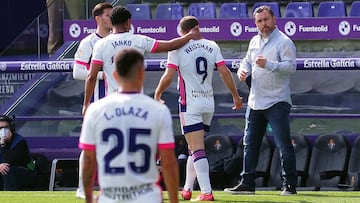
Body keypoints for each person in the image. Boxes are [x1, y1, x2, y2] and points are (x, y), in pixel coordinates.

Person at [154, 16, 243, 201]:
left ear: (184, 32)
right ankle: (187, 188)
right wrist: (235, 95)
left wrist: (158, 93)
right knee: (193, 148)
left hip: (190, 104)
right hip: (208, 103)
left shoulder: (177, 47)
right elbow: (225, 72)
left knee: (196, 149)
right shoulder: (212, 45)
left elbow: (169, 76)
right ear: (197, 28)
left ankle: (206, 192)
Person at [79, 48, 179, 203]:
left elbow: (88, 161)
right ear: (141, 73)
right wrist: (173, 200)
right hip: (147, 198)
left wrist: (88, 199)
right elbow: (169, 163)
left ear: (114, 75)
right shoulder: (158, 110)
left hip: (110, 198)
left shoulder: (95, 110)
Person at [224, 5, 298, 196]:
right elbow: (247, 61)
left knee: (283, 144)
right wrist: (242, 70)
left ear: (274, 19)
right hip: (255, 101)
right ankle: (247, 183)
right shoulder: (254, 41)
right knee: (249, 143)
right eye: (259, 21)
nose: (263, 24)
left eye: (266, 19)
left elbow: (291, 67)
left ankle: (289, 185)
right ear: (255, 23)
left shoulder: (284, 41)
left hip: (277, 100)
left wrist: (269, 64)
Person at [82, 6, 201, 115]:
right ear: (128, 22)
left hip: (113, 103)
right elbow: (170, 45)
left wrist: (86, 104)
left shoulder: (100, 45)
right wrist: (189, 36)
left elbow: (91, 77)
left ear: (112, 22)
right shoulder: (139, 40)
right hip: (137, 104)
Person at [72, 2, 113, 199]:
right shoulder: (88, 42)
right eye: (107, 15)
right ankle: (82, 187)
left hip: (119, 103)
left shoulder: (118, 40)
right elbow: (77, 72)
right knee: (91, 146)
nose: (111, 18)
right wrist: (101, 74)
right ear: (98, 18)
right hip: (97, 102)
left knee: (116, 145)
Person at [0, 115, 36, 191]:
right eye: (0, 128)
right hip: (4, 173)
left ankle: (9, 197)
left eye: (6, 127)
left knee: (6, 169)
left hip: (26, 172)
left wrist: (3, 144)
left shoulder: (19, 141)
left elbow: (9, 161)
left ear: (11, 128)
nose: (3, 131)